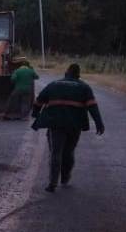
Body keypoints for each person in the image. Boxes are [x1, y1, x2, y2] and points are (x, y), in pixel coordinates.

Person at [31, 63, 105, 192]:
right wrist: (99, 123)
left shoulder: (54, 85)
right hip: (74, 125)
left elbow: (39, 101)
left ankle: (52, 183)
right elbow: (92, 106)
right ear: (78, 76)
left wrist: (36, 114)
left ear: (66, 74)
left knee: (56, 152)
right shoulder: (84, 87)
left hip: (56, 124)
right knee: (69, 152)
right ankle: (65, 178)